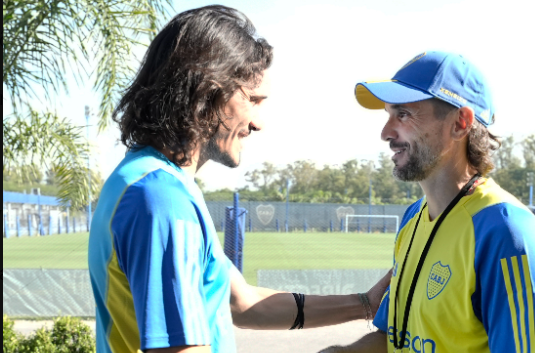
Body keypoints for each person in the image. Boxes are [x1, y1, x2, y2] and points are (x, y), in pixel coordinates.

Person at [88, 5, 390, 353]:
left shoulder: (148, 179)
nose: (259, 122)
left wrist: (365, 303)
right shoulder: (160, 198)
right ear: (205, 92)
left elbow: (241, 302)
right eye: (253, 100)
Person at [320, 51, 535, 352]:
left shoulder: (507, 233)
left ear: (460, 122)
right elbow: (393, 337)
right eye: (388, 114)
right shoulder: (412, 219)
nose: (386, 132)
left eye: (403, 114)